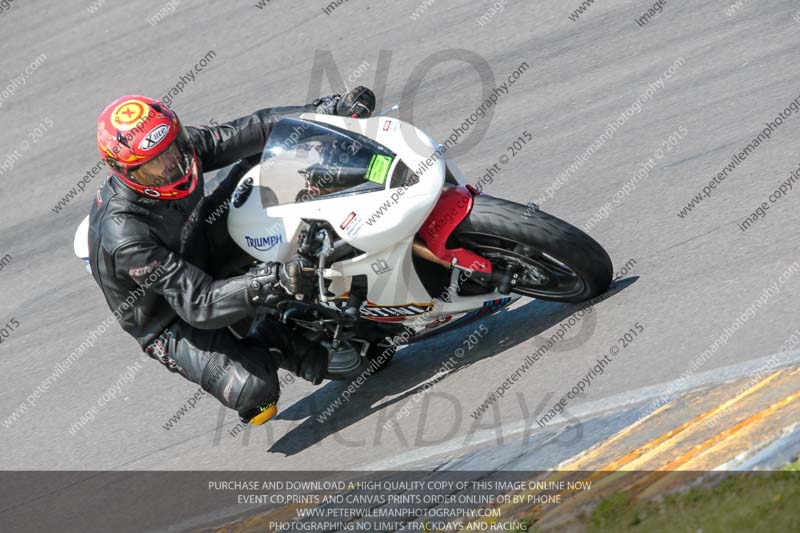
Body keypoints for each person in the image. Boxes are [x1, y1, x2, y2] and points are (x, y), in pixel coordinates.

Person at [88, 87, 376, 425]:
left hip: (201, 240)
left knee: (271, 160)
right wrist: (271, 281)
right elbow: (199, 304)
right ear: (124, 172)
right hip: (170, 317)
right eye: (154, 168)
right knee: (254, 392)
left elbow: (254, 129)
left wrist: (325, 110)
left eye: (172, 151)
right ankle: (276, 334)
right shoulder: (125, 233)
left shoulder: (180, 150)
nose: (171, 168)